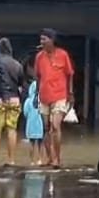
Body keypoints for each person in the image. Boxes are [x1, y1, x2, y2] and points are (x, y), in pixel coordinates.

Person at [34, 28, 74, 169]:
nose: (42, 41)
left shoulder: (63, 55)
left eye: (44, 39)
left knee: (55, 126)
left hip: (60, 96)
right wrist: (36, 96)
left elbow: (69, 75)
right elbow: (38, 77)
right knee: (46, 128)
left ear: (52, 40)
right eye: (41, 39)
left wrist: (71, 93)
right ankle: (50, 158)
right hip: (44, 96)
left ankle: (57, 158)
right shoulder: (39, 57)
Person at [0, 37, 23, 168]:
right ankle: (11, 160)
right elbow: (21, 83)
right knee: (11, 130)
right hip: (14, 100)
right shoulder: (17, 64)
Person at [23, 74, 45, 166]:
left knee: (32, 144)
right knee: (41, 144)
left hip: (31, 125)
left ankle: (32, 161)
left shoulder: (28, 101)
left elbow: (25, 113)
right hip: (40, 125)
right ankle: (40, 160)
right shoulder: (43, 100)